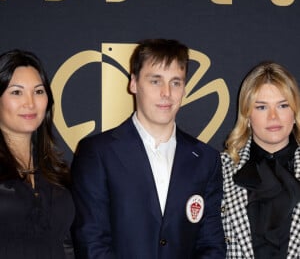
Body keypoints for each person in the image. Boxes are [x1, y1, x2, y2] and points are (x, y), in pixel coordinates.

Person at [71, 38, 226, 258]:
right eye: (155, 81)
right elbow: (92, 241)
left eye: (175, 82)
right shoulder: (97, 153)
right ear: (133, 83)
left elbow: (211, 244)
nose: (166, 93)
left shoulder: (205, 159)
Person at [0, 49, 75, 259]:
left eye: (39, 91)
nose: (30, 103)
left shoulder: (56, 171)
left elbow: (67, 246)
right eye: (16, 92)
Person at [221, 61, 300, 258]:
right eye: (262, 107)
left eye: (282, 105)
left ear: (294, 112)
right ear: (247, 114)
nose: (273, 117)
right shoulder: (220, 170)